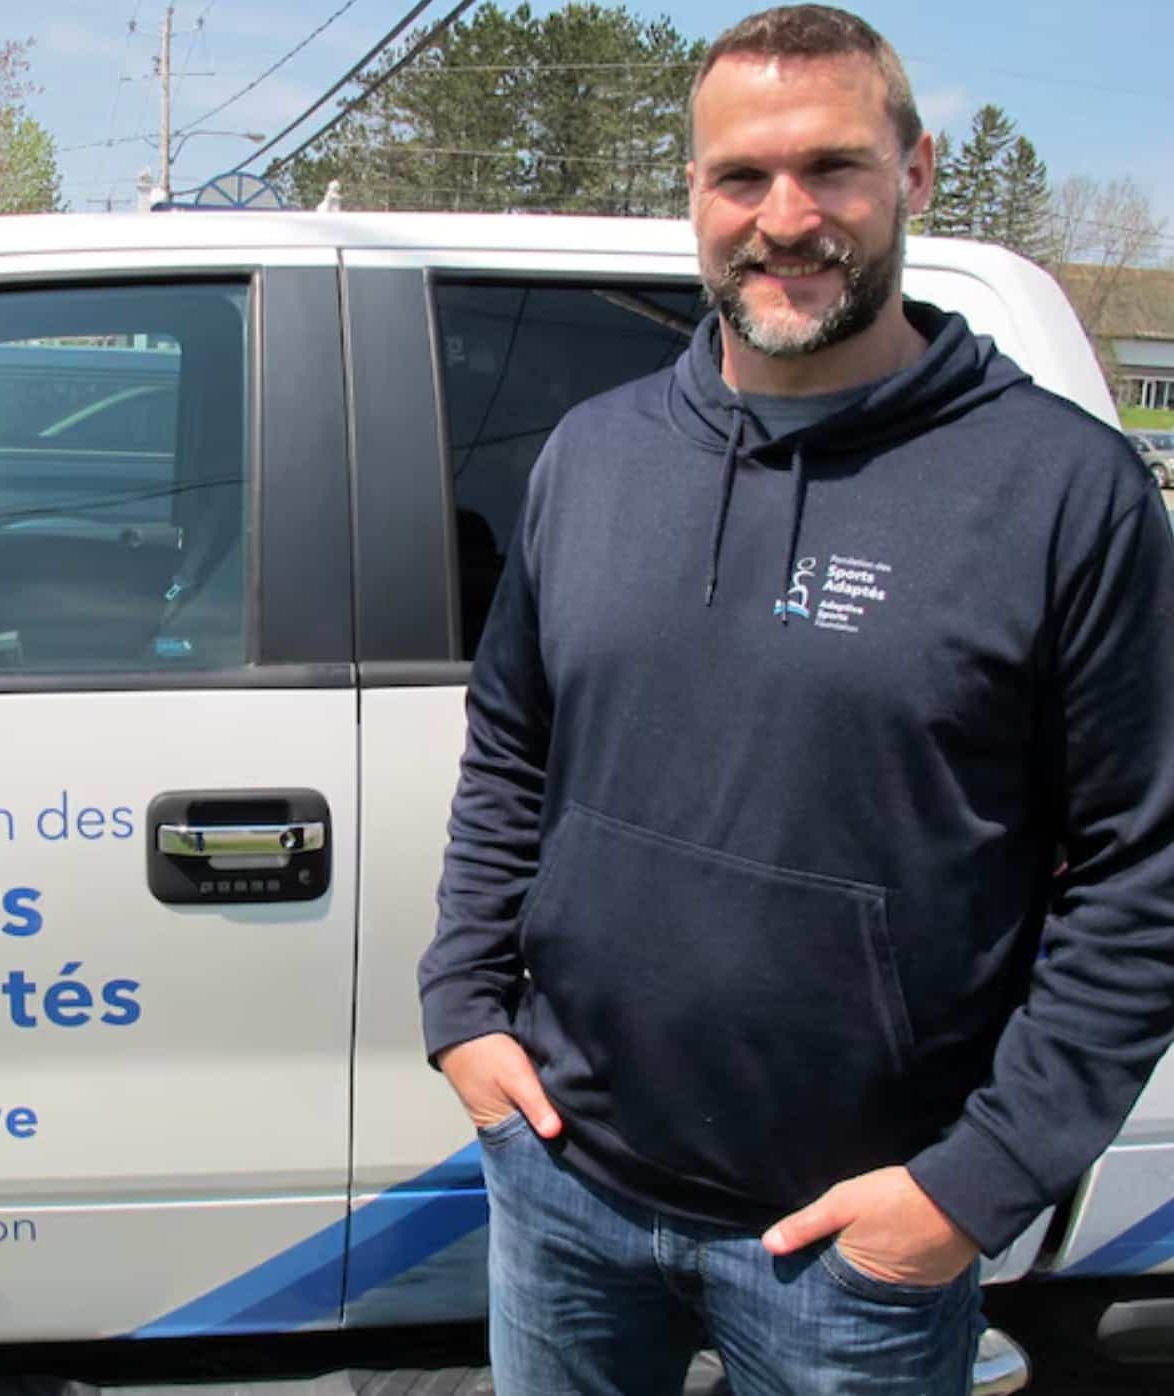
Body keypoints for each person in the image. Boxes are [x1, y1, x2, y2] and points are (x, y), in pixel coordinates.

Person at [416, 6, 1174, 1393]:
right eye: (741, 176)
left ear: (915, 173)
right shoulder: (592, 457)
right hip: (565, 1190)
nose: (785, 217)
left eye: (832, 167)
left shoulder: (1064, 492)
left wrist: (972, 1188)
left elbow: (1145, 869)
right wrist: (464, 1004)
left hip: (854, 1247)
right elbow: (515, 749)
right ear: (693, 193)